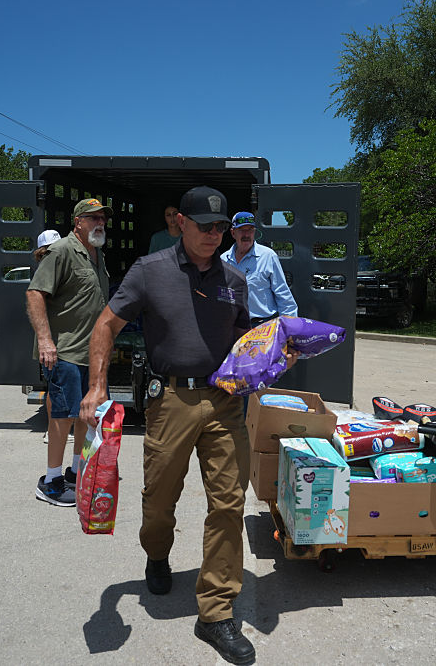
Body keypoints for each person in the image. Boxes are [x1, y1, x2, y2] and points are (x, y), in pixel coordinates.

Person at [80, 186, 291, 665]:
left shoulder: (233, 278)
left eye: (221, 228)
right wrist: (96, 386)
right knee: (159, 500)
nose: (214, 236)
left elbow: (243, 336)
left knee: (228, 504)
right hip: (169, 399)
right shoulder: (149, 271)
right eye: (205, 227)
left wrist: (276, 350)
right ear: (180, 222)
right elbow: (106, 325)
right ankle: (157, 554)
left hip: (224, 402)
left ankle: (215, 613)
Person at [26, 200, 110, 506]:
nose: (100, 223)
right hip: (65, 352)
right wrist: (46, 341)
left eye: (103, 218)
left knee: (86, 416)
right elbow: (35, 293)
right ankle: (51, 481)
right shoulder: (62, 251)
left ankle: (76, 473)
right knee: (62, 416)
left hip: (91, 352)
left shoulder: (96, 253)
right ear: (78, 222)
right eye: (93, 218)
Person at [222, 210, 298, 327]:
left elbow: (283, 295)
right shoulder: (223, 260)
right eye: (242, 230)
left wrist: (291, 329)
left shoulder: (268, 256)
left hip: (263, 327)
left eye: (250, 230)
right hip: (232, 327)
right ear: (233, 233)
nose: (247, 235)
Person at [32, 229, 62, 444]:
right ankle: (53, 430)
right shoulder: (45, 275)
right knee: (56, 387)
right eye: (49, 251)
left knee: (63, 386)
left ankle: (61, 429)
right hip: (54, 340)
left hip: (67, 339)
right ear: (41, 253)